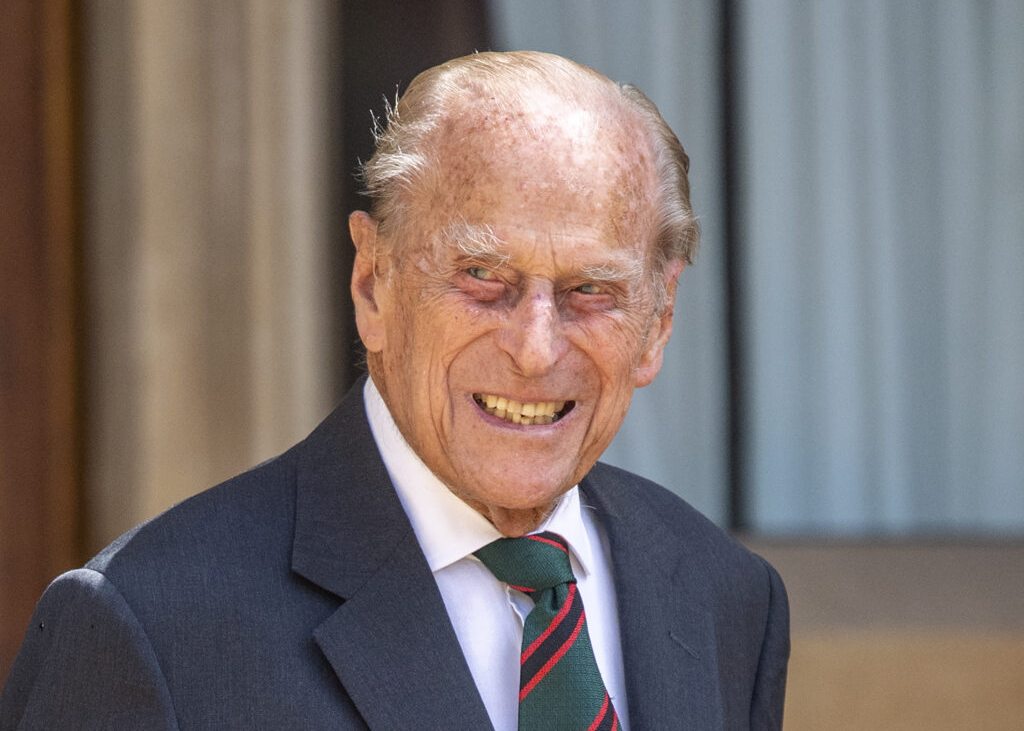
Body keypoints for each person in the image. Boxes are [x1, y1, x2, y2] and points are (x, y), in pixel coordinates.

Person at [0, 51, 788, 730]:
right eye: (482, 277)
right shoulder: (149, 625)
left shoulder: (726, 599)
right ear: (372, 282)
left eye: (592, 290)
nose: (535, 349)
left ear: (659, 321)